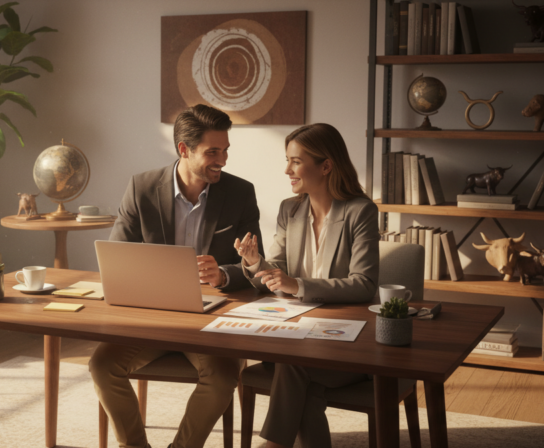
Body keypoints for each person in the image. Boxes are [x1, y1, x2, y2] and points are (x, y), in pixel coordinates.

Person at [90, 104, 264, 448]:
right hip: (152, 317)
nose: (223, 160)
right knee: (101, 365)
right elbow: (117, 256)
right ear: (184, 149)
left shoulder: (240, 192)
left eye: (225, 150)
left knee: (223, 376)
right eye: (212, 152)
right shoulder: (141, 188)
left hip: (210, 321)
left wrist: (224, 274)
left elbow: (256, 266)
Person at [234, 123, 380, 448]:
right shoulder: (291, 209)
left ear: (326, 166)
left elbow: (364, 284)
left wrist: (296, 284)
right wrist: (256, 262)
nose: (287, 169)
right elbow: (279, 273)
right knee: (303, 380)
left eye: (296, 161)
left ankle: (272, 444)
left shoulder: (361, 212)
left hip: (348, 341)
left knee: (293, 362)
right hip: (297, 333)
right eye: (288, 160)